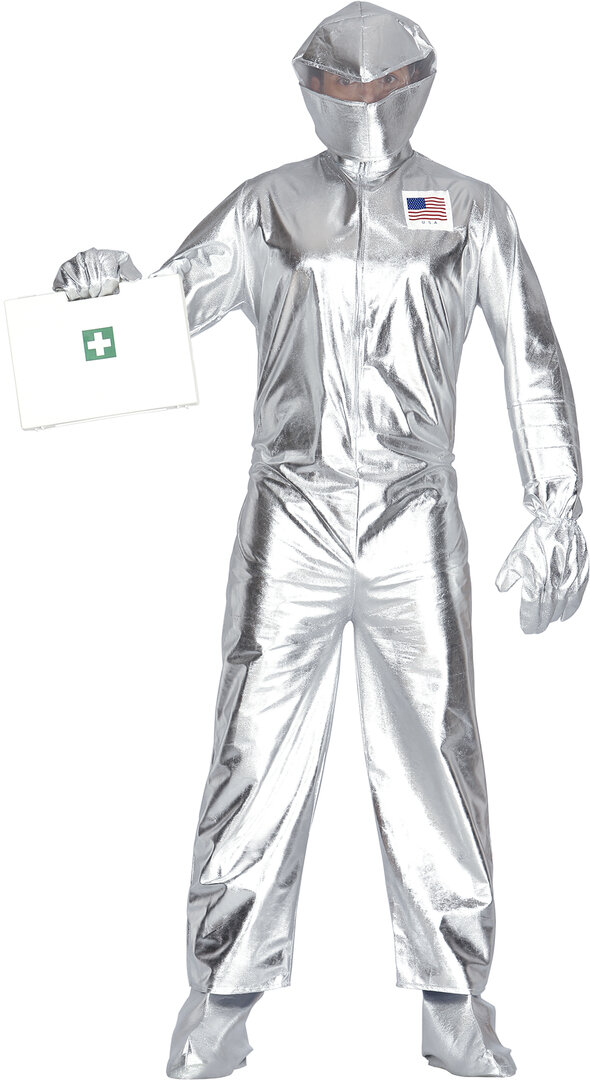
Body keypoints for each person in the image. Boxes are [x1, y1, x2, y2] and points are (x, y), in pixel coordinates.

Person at [52, 4, 588, 1077]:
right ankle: (220, 1001)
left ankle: (452, 1004)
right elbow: (171, 301)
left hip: (412, 514)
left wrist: (558, 502)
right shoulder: (269, 204)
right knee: (252, 749)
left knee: (438, 755)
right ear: (306, 88)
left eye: (381, 86)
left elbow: (527, 350)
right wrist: (106, 285)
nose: (362, 103)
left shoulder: (469, 209)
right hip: (288, 513)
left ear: (419, 86)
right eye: (338, 86)